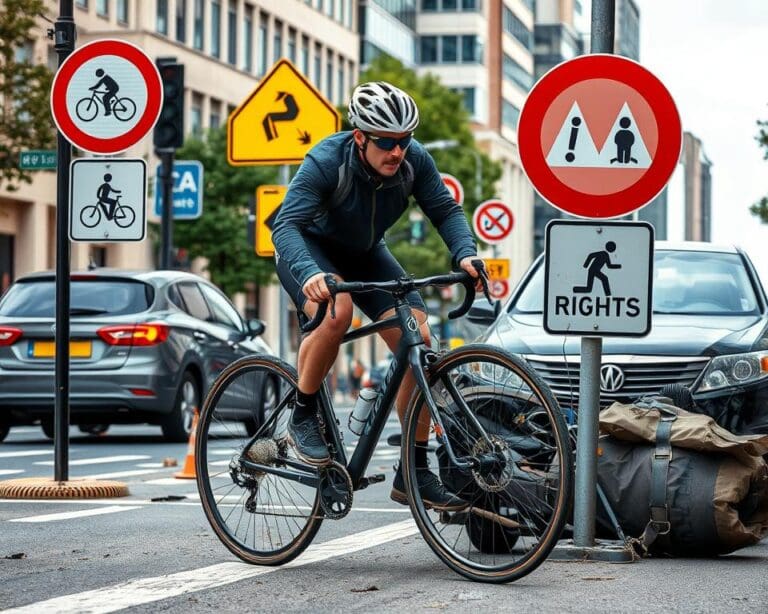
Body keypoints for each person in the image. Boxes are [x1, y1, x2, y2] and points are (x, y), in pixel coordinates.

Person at [272, 81, 481, 512]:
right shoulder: (327, 161)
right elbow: (285, 226)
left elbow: (445, 210)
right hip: (311, 249)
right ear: (360, 137)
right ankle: (303, 413)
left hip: (366, 253)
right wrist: (310, 274)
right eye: (386, 142)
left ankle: (414, 470)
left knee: (417, 338)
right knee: (338, 311)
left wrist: (465, 254)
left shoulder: (413, 160)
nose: (397, 152)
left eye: (404, 141)